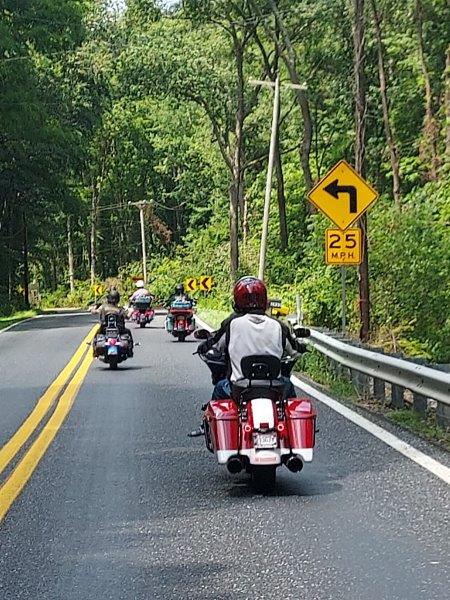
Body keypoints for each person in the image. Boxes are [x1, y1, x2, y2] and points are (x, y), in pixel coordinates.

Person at [197, 276, 305, 401]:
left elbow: (215, 346)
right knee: (288, 389)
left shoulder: (232, 324)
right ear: (264, 300)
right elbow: (295, 351)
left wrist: (203, 346)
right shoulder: (278, 326)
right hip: (274, 388)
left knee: (219, 388)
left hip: (239, 387)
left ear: (237, 300)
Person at [96, 289, 134, 355]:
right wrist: (131, 311)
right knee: (128, 332)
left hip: (104, 328)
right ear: (118, 299)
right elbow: (127, 317)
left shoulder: (103, 308)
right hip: (119, 329)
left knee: (96, 334)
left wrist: (93, 309)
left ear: (108, 298)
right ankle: (130, 351)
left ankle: (95, 352)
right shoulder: (120, 309)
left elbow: (94, 311)